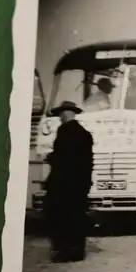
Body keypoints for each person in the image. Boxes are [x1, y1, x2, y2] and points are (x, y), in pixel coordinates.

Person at [43, 101, 94, 263]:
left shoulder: (64, 131)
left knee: (61, 215)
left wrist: (50, 158)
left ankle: (63, 250)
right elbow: (87, 161)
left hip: (63, 182)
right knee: (78, 215)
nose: (59, 118)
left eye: (60, 115)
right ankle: (78, 250)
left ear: (65, 114)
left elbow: (61, 158)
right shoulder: (85, 134)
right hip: (81, 182)